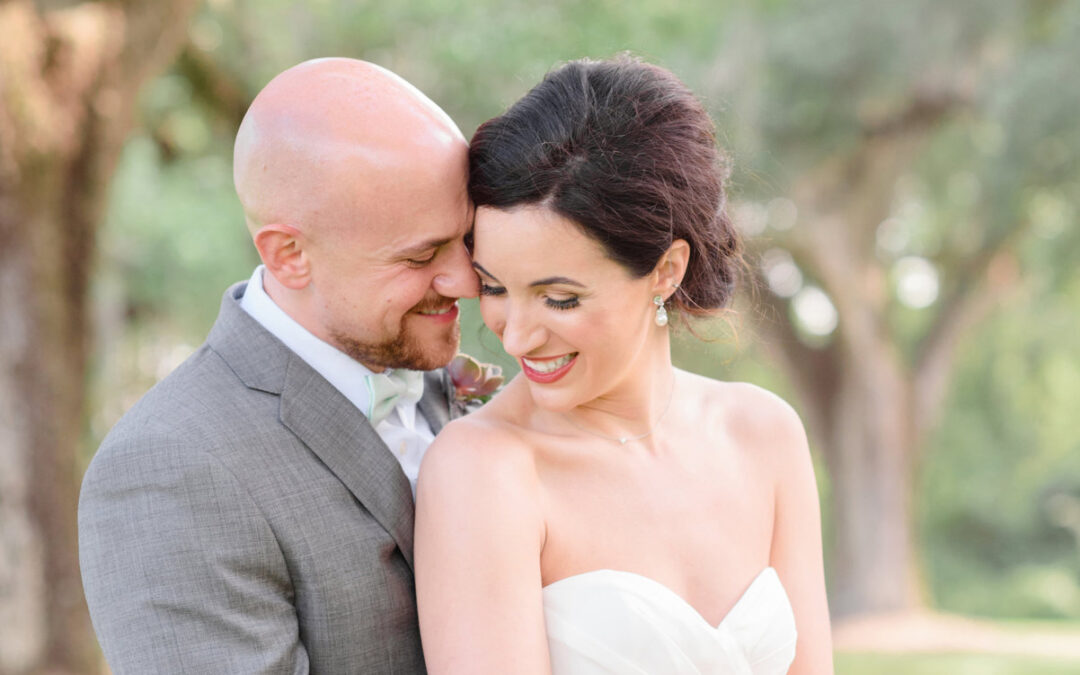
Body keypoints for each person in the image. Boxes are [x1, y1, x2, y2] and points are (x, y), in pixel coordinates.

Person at [414, 56, 834, 674]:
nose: (518, 338)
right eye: (495, 287)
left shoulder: (764, 434)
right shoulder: (485, 469)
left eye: (560, 298)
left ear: (665, 271)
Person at [78, 57, 478, 673]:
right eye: (422, 255)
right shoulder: (169, 465)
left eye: (466, 240)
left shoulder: (454, 383)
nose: (465, 281)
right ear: (289, 254)